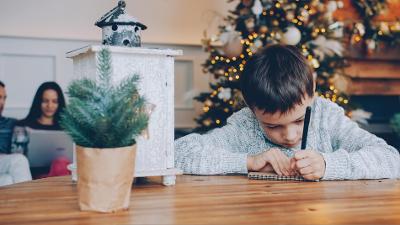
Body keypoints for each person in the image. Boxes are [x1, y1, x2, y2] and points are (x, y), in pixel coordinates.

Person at [174, 45, 400, 180]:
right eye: (272, 126)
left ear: (312, 91)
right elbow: (178, 154)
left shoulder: (327, 117)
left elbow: (391, 159)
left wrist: (328, 165)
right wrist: (247, 161)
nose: (290, 136)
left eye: (300, 120)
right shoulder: (245, 125)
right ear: (251, 108)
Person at [14, 81, 70, 178]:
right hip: (31, 174)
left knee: (61, 163)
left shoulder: (67, 127)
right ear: (38, 102)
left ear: (59, 103)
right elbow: (16, 157)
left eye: (54, 101)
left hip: (60, 173)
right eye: (45, 101)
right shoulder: (23, 125)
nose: (50, 106)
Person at [0, 81, 32, 186]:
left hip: (3, 165)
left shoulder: (12, 123)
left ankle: (26, 201)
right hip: (7, 161)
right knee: (19, 160)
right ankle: (31, 201)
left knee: (7, 180)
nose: (2, 103)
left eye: (4, 98)